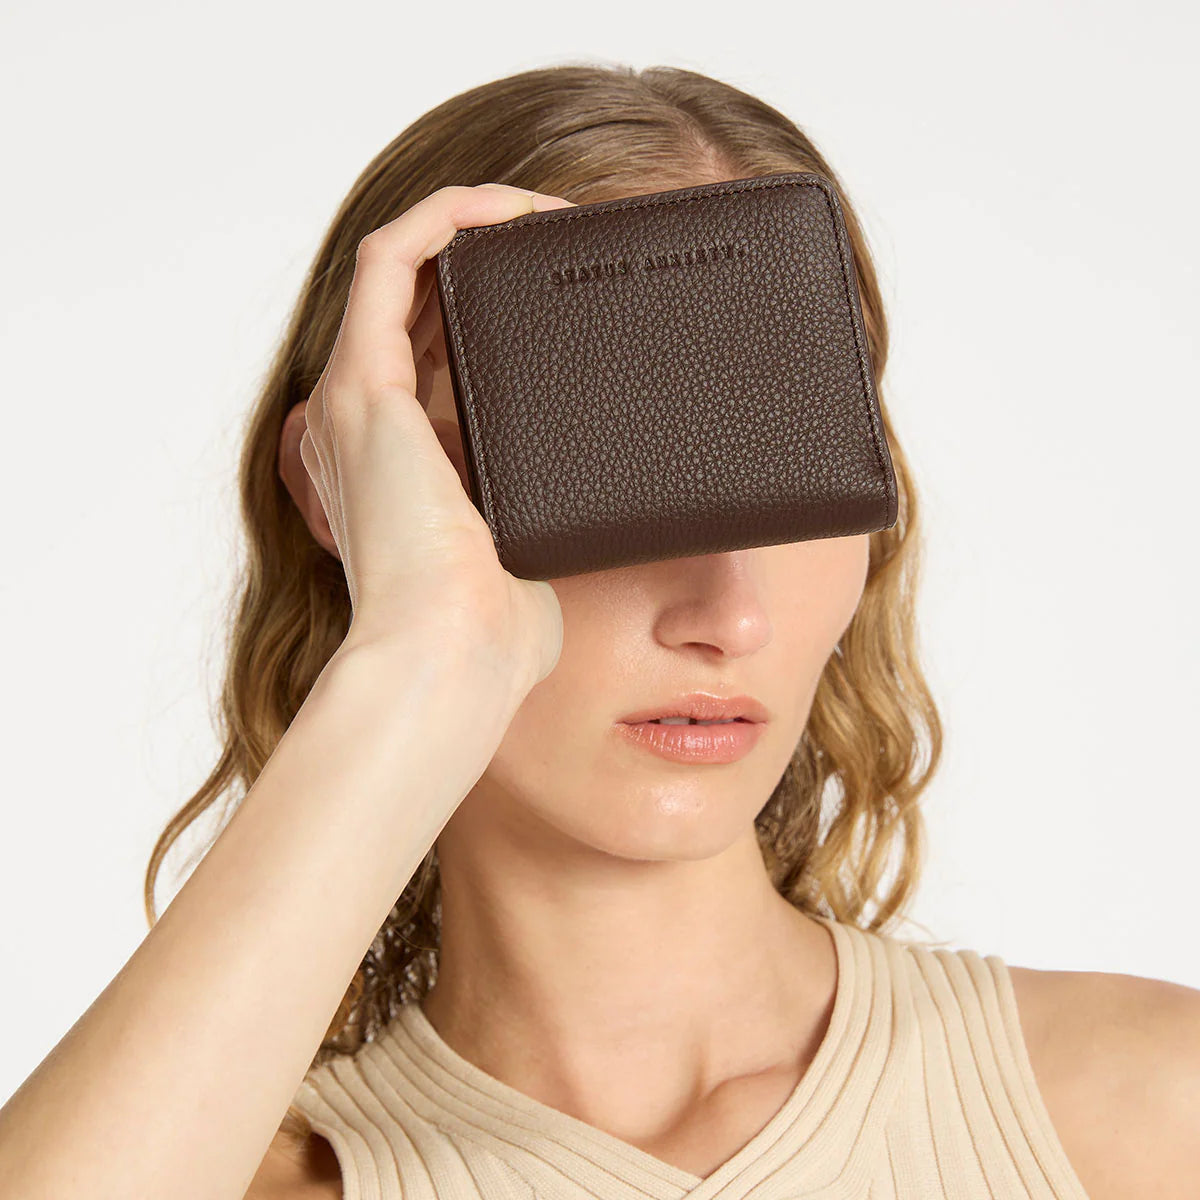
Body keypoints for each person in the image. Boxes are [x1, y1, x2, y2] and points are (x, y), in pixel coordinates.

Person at [1, 62, 1197, 1200]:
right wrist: (423, 661)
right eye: (620, 474)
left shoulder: (1146, 1111)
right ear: (347, 492)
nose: (728, 615)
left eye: (787, 474)